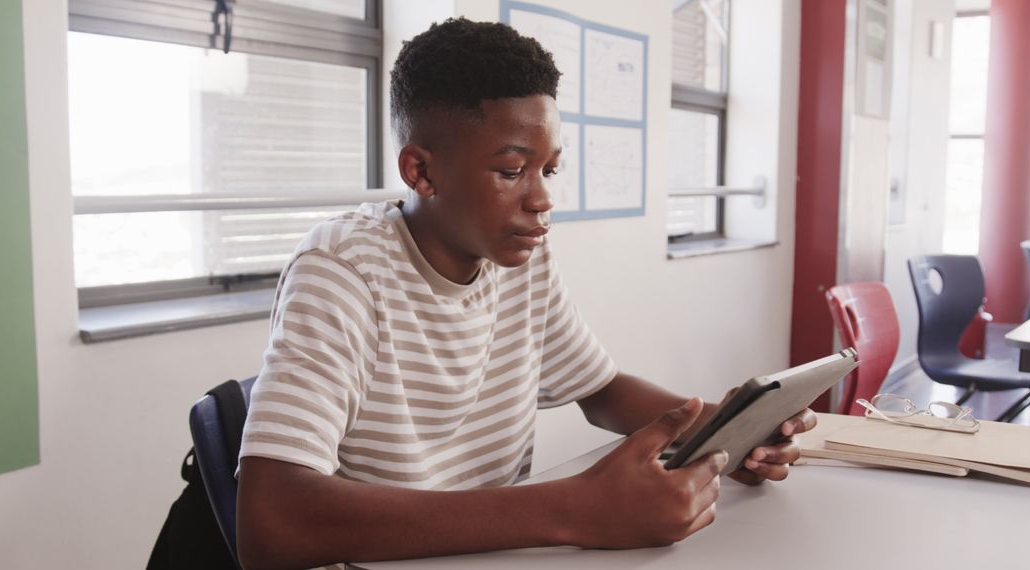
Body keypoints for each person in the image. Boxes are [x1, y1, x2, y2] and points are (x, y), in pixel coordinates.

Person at [236, 17, 815, 570]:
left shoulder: (518, 257)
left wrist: (723, 434)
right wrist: (575, 510)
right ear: (421, 171)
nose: (541, 199)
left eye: (549, 170)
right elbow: (272, 521)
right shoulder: (342, 270)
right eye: (512, 171)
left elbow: (601, 390)